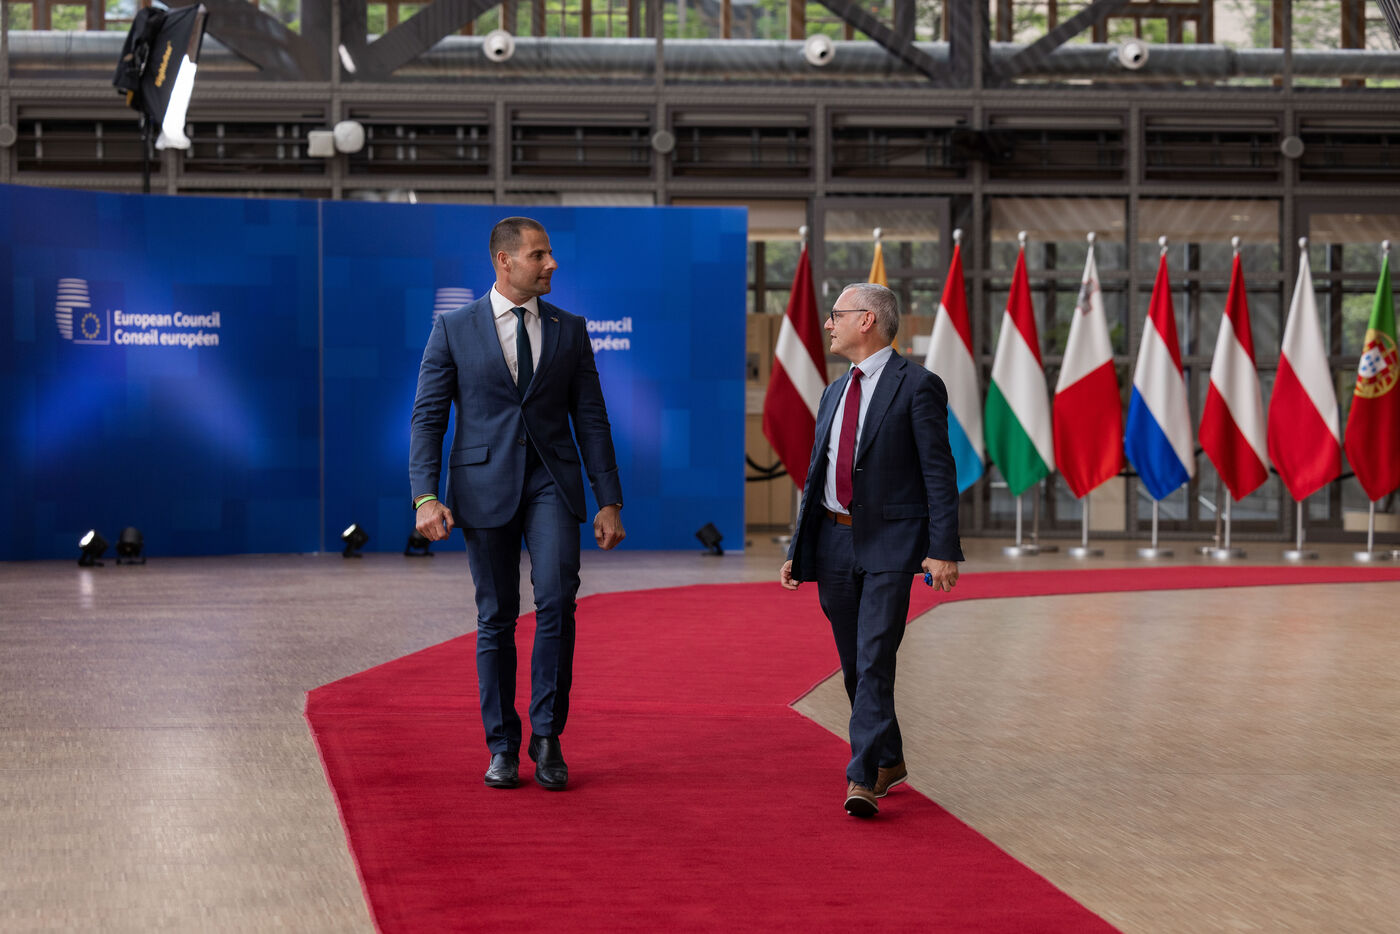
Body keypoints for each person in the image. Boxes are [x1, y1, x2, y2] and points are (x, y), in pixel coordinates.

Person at [410, 216, 625, 792]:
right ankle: (502, 745)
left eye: (549, 254)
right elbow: (428, 418)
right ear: (504, 261)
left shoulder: (569, 328)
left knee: (557, 601)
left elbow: (592, 418)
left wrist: (609, 500)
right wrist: (425, 496)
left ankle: (547, 736)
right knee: (497, 615)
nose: (551, 264)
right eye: (539, 255)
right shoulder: (453, 328)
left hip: (552, 483)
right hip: (482, 487)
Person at [779, 282, 962, 818]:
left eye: (837, 314)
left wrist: (942, 548)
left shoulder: (919, 386)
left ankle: (861, 777)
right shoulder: (833, 392)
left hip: (892, 545)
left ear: (867, 321)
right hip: (833, 541)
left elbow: (938, 473)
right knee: (855, 666)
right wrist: (800, 547)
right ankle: (889, 759)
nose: (828, 324)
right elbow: (816, 475)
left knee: (875, 656)